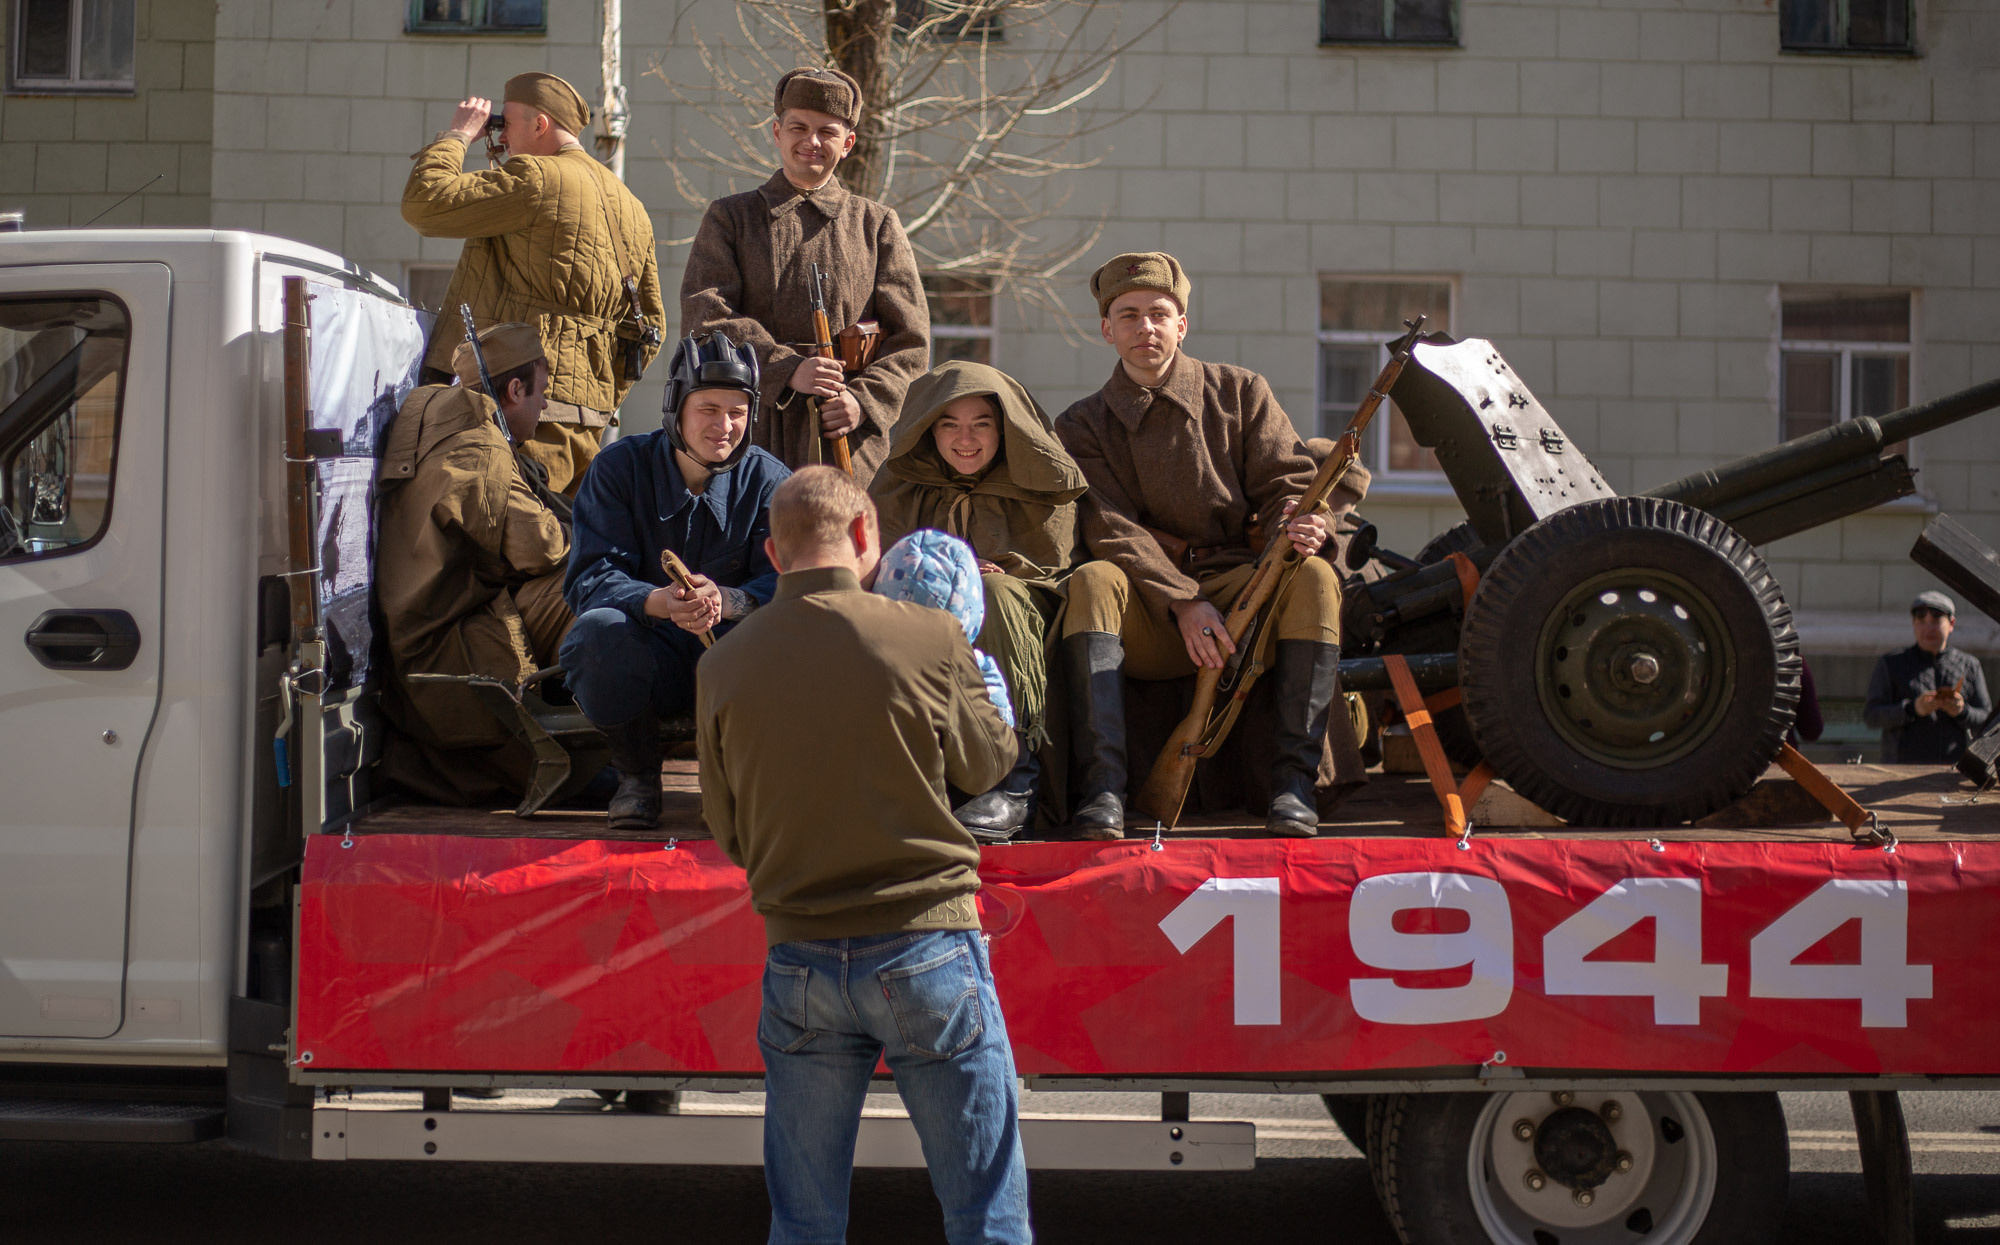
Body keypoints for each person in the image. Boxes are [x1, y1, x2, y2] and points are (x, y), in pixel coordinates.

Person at [694, 467, 1030, 1245]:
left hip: (798, 957)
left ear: (774, 556)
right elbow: (988, 766)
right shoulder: (931, 634)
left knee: (804, 1222)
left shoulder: (720, 665)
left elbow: (731, 832)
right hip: (928, 945)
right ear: (862, 538)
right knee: (986, 1217)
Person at [1055, 251, 1352, 839]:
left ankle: (1293, 787)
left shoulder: (1240, 393)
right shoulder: (1082, 425)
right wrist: (1183, 600)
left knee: (1315, 579)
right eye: (1129, 314)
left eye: (1159, 313)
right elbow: (1108, 527)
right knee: (1091, 580)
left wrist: (1301, 520)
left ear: (1182, 323)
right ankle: (1103, 792)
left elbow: (1286, 483)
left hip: (1244, 587)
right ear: (1106, 329)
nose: (1146, 327)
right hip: (1148, 604)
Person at [561, 332, 789, 829]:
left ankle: (736, 779)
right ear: (675, 407)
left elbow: (793, 583)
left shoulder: (772, 481)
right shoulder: (618, 469)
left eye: (737, 411)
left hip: (734, 665)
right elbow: (589, 578)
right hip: (650, 663)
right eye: (708, 408)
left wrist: (731, 600)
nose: (723, 426)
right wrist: (658, 601)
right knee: (594, 635)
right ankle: (637, 778)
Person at [403, 71, 666, 494]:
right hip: (589, 419)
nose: (500, 138)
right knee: (562, 546)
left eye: (504, 123)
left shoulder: (538, 178)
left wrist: (458, 135)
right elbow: (651, 326)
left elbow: (424, 203)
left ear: (540, 124)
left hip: (525, 405)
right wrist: (597, 390)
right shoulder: (631, 206)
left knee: (511, 547)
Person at [680, 67, 929, 486]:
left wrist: (862, 401)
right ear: (777, 132)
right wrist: (787, 368)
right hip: (751, 434)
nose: (811, 142)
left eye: (827, 132)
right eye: (798, 127)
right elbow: (705, 317)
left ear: (847, 143)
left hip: (849, 442)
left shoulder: (877, 224)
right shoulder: (730, 218)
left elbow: (911, 344)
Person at [871, 360, 1087, 837]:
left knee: (994, 592)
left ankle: (1013, 782)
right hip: (919, 620)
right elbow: (875, 562)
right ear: (930, 430)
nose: (964, 439)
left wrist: (985, 578)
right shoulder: (898, 484)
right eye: (949, 424)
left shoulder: (1040, 485)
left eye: (981, 424)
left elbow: (1052, 570)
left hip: (1019, 616)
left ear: (1004, 428)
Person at [374, 323, 573, 804]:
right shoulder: (480, 447)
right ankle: (583, 753)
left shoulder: (440, 422)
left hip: (426, 631)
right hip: (445, 646)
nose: (544, 406)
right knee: (586, 584)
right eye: (540, 392)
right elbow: (542, 547)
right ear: (514, 389)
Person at [1864, 590, 1992, 763]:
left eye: (1936, 620)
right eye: (1921, 621)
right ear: (1913, 623)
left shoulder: (1970, 665)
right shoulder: (1891, 663)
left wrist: (1962, 711)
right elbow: (1872, 716)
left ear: (1951, 623)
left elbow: (1987, 721)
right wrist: (1912, 709)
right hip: (1899, 772)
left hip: (1953, 772)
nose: (1928, 628)